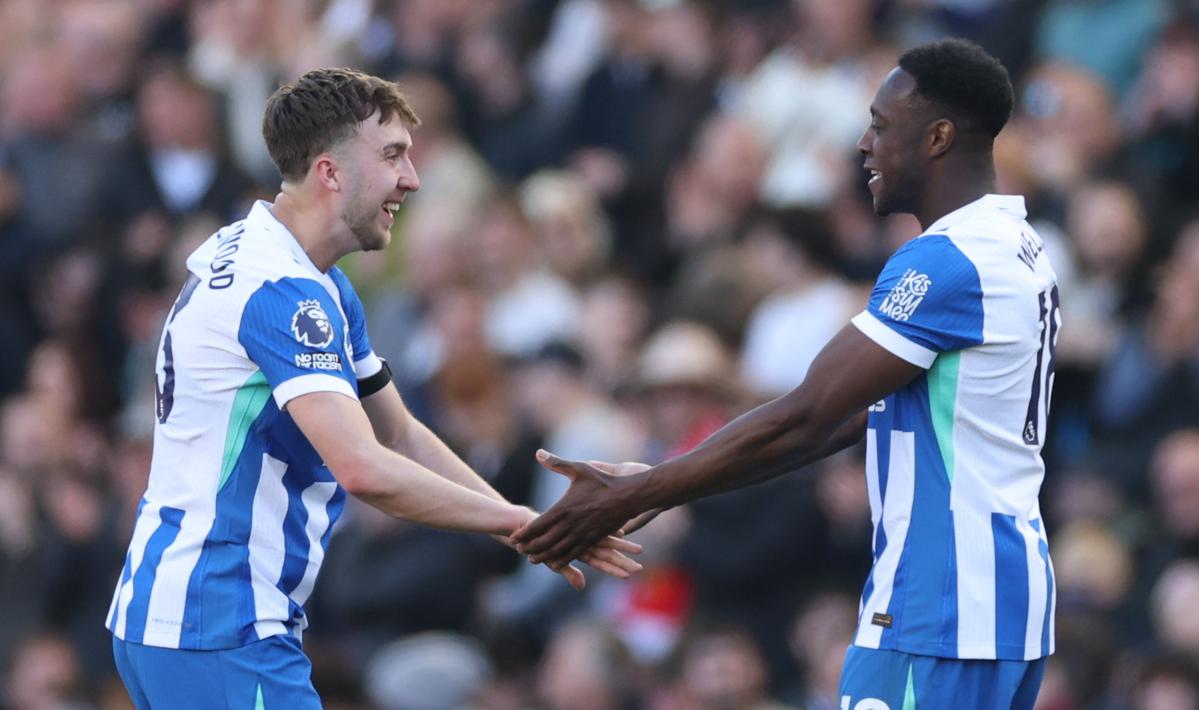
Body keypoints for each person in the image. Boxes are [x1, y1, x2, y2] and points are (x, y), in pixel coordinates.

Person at [514, 39, 1059, 709]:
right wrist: (661, 487)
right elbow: (838, 422)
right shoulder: (1019, 247)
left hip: (939, 606)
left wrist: (631, 495)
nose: (863, 143)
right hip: (999, 599)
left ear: (939, 137)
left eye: (882, 126)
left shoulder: (946, 263)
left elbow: (808, 412)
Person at [104, 68, 639, 709]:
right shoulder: (283, 294)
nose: (411, 179)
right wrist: (523, 520)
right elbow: (363, 468)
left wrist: (529, 529)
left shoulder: (294, 269)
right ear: (330, 172)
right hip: (217, 624)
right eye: (392, 156)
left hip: (176, 615)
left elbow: (399, 432)